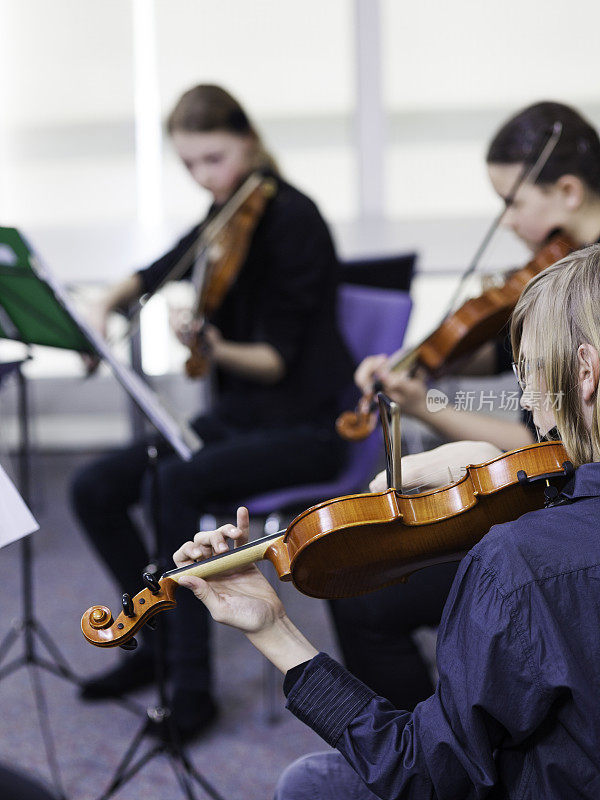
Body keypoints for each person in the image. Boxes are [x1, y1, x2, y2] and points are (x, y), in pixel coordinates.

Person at [173, 243, 600, 798]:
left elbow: (421, 776)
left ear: (586, 372)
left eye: (533, 375)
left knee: (306, 784)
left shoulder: (517, 563)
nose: (529, 401)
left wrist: (272, 629)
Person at [71, 84, 354, 740]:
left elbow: (278, 362)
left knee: (172, 482)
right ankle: (156, 642)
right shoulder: (226, 211)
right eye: (191, 164)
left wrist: (214, 345)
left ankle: (190, 691)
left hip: (307, 424)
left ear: (249, 141)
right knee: (94, 487)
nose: (206, 175)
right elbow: (165, 264)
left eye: (215, 158)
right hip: (239, 419)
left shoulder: (293, 219)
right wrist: (105, 303)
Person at [328, 100, 600, 711]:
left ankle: (438, 761)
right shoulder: (563, 273)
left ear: (568, 190)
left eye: (513, 202)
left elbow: (541, 448)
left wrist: (424, 403)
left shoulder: (581, 297)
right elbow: (498, 360)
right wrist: (431, 356)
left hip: (568, 512)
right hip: (559, 494)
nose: (504, 220)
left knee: (367, 598)